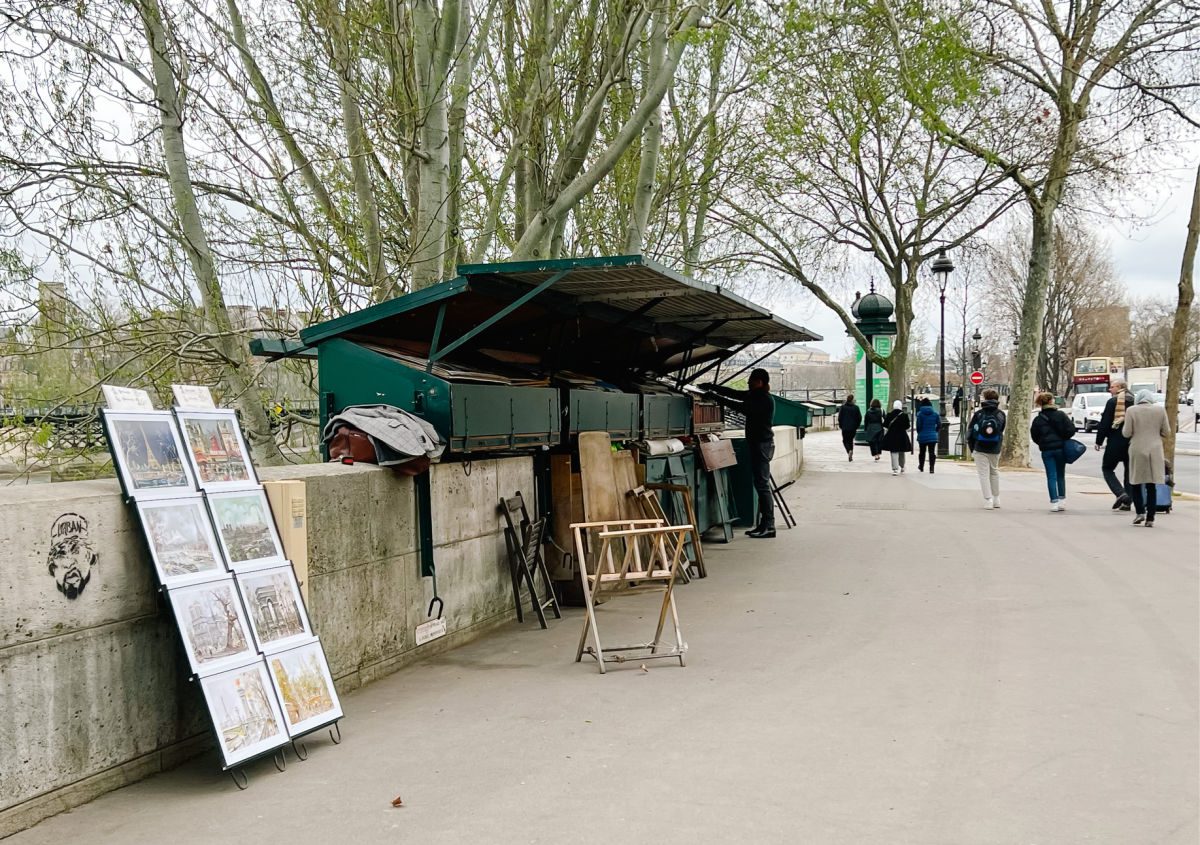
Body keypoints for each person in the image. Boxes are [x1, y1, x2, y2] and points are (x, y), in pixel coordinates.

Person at [703, 369, 777, 538]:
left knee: (762, 485)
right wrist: (713, 388)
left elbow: (741, 406)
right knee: (761, 484)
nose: (748, 383)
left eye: (751, 381)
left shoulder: (764, 399)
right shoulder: (757, 396)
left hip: (762, 445)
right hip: (758, 444)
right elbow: (735, 394)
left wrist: (715, 396)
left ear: (760, 382)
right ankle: (763, 525)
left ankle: (769, 525)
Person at [1122, 390, 1171, 527]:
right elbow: (1167, 432)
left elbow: (1127, 433)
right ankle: (1150, 517)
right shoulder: (1160, 410)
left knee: (1136, 483)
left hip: (1137, 448)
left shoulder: (1131, 410)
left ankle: (1140, 512)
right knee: (1151, 485)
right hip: (1155, 449)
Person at [1030, 391, 1076, 512]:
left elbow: (1034, 435)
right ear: (1051, 401)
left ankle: (1054, 502)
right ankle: (1062, 501)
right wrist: (1064, 437)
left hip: (1046, 450)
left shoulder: (1038, 419)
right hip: (1060, 448)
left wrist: (1042, 443)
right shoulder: (1060, 415)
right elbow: (1071, 429)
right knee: (1061, 474)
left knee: (1051, 476)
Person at [1094, 379, 1136, 511]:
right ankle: (1127, 501)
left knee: (1107, 468)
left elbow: (1105, 423)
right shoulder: (1134, 401)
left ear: (1120, 387)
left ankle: (1120, 493)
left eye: (1112, 387)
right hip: (1132, 442)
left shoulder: (1113, 402)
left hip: (1115, 442)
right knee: (1129, 472)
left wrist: (1099, 441)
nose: (1110, 389)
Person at [966, 388, 1006, 509]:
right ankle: (996, 499)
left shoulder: (979, 414)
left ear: (985, 398)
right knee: (994, 472)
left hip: (980, 446)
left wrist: (972, 448)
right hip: (995, 447)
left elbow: (970, 431)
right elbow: (1001, 430)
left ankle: (988, 500)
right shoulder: (1000, 414)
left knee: (983, 474)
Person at [881, 399, 911, 476]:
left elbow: (885, 426)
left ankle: (895, 469)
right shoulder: (904, 415)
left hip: (892, 436)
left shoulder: (889, 414)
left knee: (894, 452)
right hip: (902, 436)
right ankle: (902, 466)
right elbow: (907, 426)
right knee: (901, 451)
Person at [914, 398, 940, 473]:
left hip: (922, 435)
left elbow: (918, 425)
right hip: (932, 435)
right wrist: (935, 431)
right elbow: (939, 424)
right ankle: (932, 468)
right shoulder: (935, 414)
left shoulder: (920, 414)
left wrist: (919, 432)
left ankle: (921, 466)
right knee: (932, 452)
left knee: (922, 452)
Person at [836, 395, 863, 461]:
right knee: (850, 440)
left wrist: (841, 425)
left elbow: (840, 418)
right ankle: (851, 453)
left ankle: (849, 451)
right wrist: (857, 426)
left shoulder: (843, 407)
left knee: (845, 440)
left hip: (845, 427)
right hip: (853, 428)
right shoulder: (856, 408)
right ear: (852, 400)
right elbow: (859, 418)